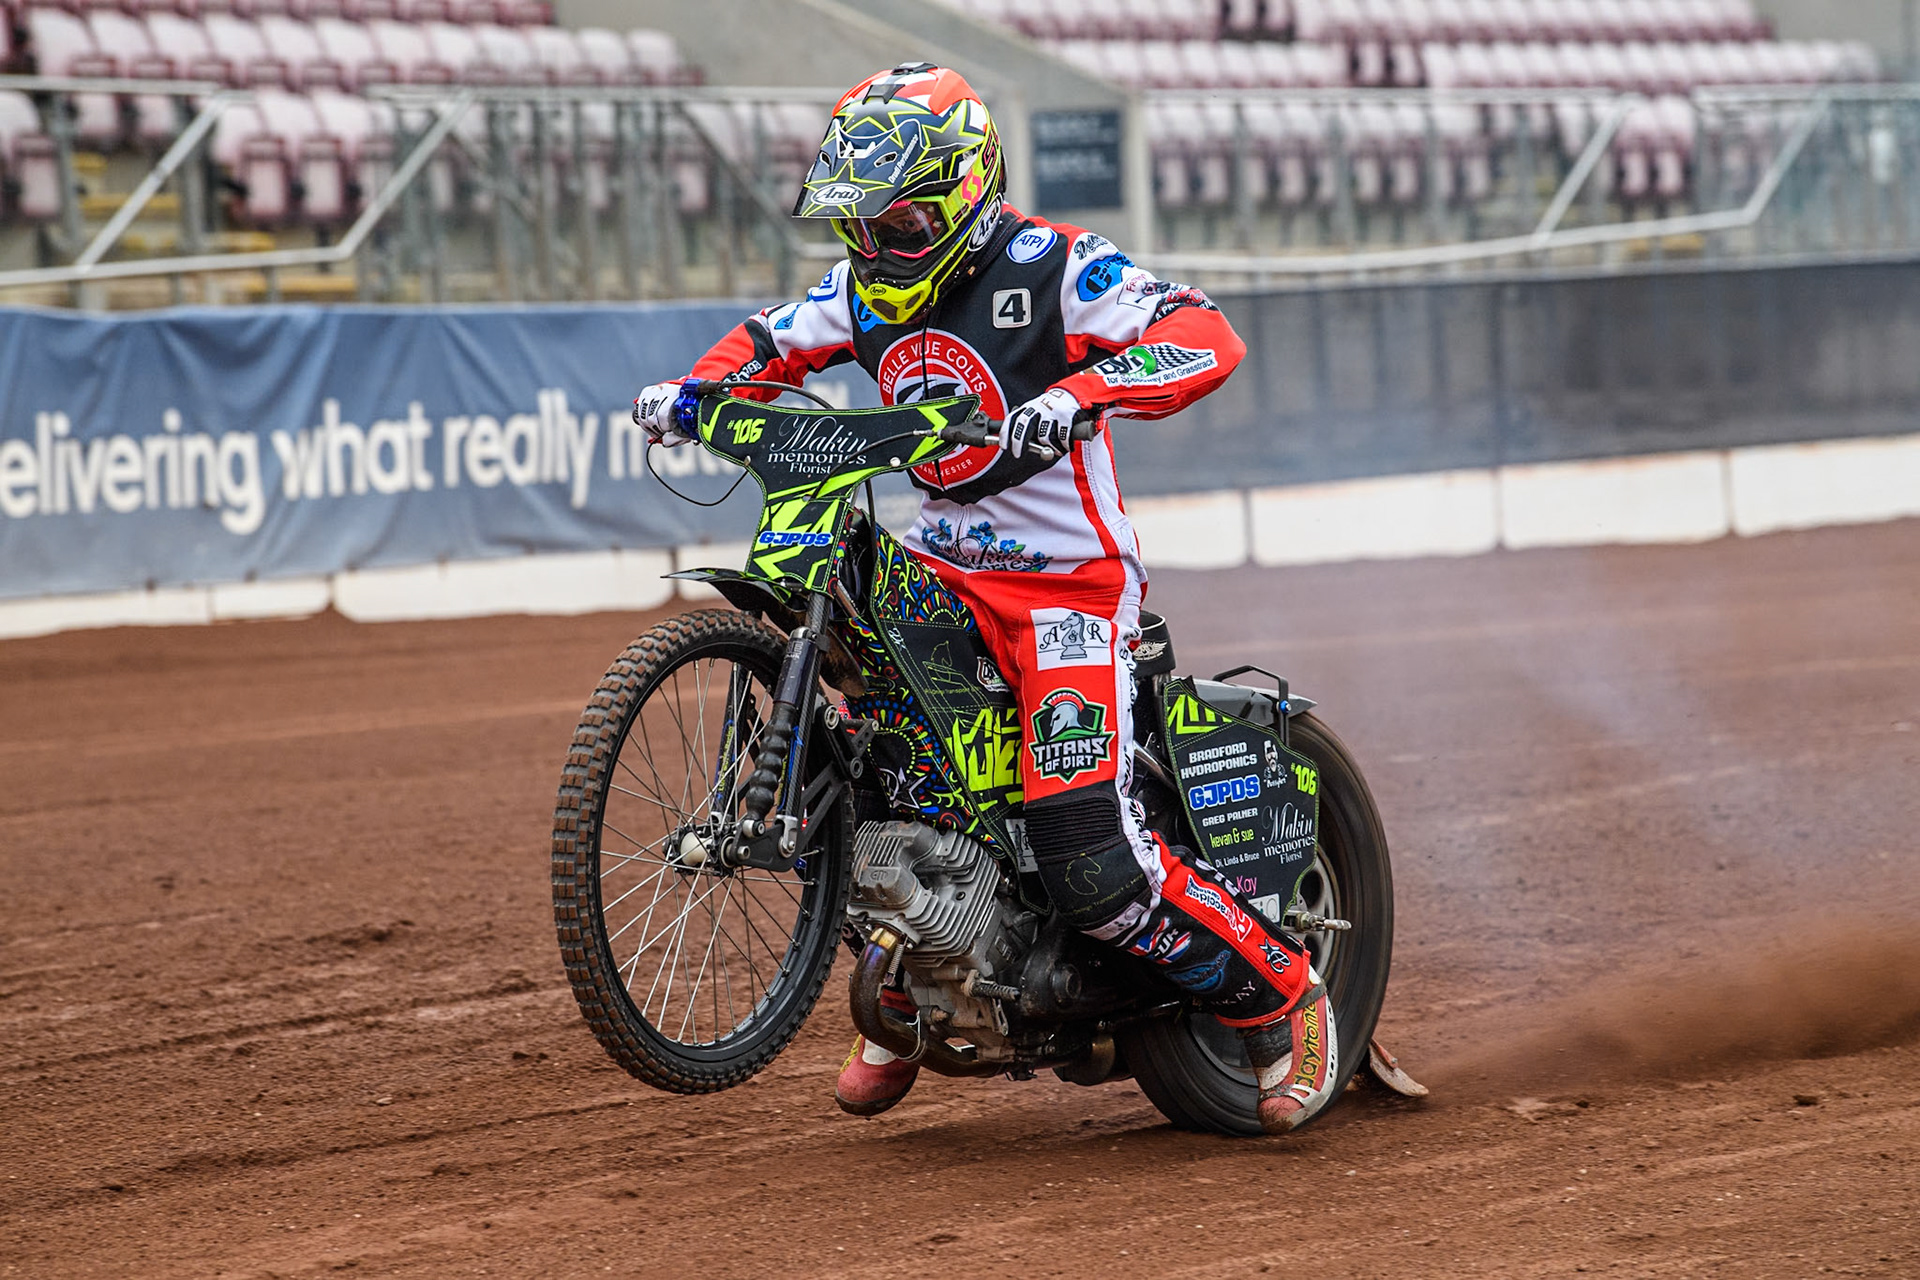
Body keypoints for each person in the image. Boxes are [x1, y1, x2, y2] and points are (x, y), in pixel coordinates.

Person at [633, 63, 1337, 1135]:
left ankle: (1285, 989)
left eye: (901, 221)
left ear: (966, 189)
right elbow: (772, 343)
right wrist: (693, 395)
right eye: (861, 228)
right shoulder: (862, 288)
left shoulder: (1055, 266)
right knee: (879, 756)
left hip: (1070, 593)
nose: (878, 250)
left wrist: (1078, 393)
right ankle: (908, 979)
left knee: (1090, 857)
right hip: (948, 574)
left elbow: (1206, 333)